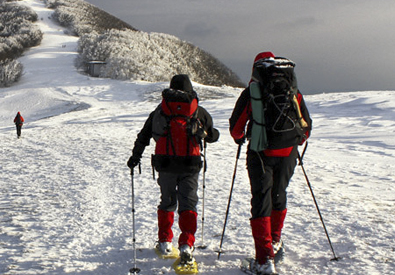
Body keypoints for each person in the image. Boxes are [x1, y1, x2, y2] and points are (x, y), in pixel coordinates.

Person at [229, 52, 312, 274]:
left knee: (261, 200)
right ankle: (275, 241)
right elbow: (306, 127)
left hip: (260, 153)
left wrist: (241, 138)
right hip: (289, 153)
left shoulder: (251, 93)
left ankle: (264, 260)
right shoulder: (292, 91)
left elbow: (235, 128)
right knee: (279, 193)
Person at [127, 74, 220, 264]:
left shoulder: (160, 110)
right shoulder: (197, 110)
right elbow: (213, 136)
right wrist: (204, 134)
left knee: (168, 201)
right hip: (190, 164)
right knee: (188, 203)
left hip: (166, 164)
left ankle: (165, 242)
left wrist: (135, 157)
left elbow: (144, 136)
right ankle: (186, 243)